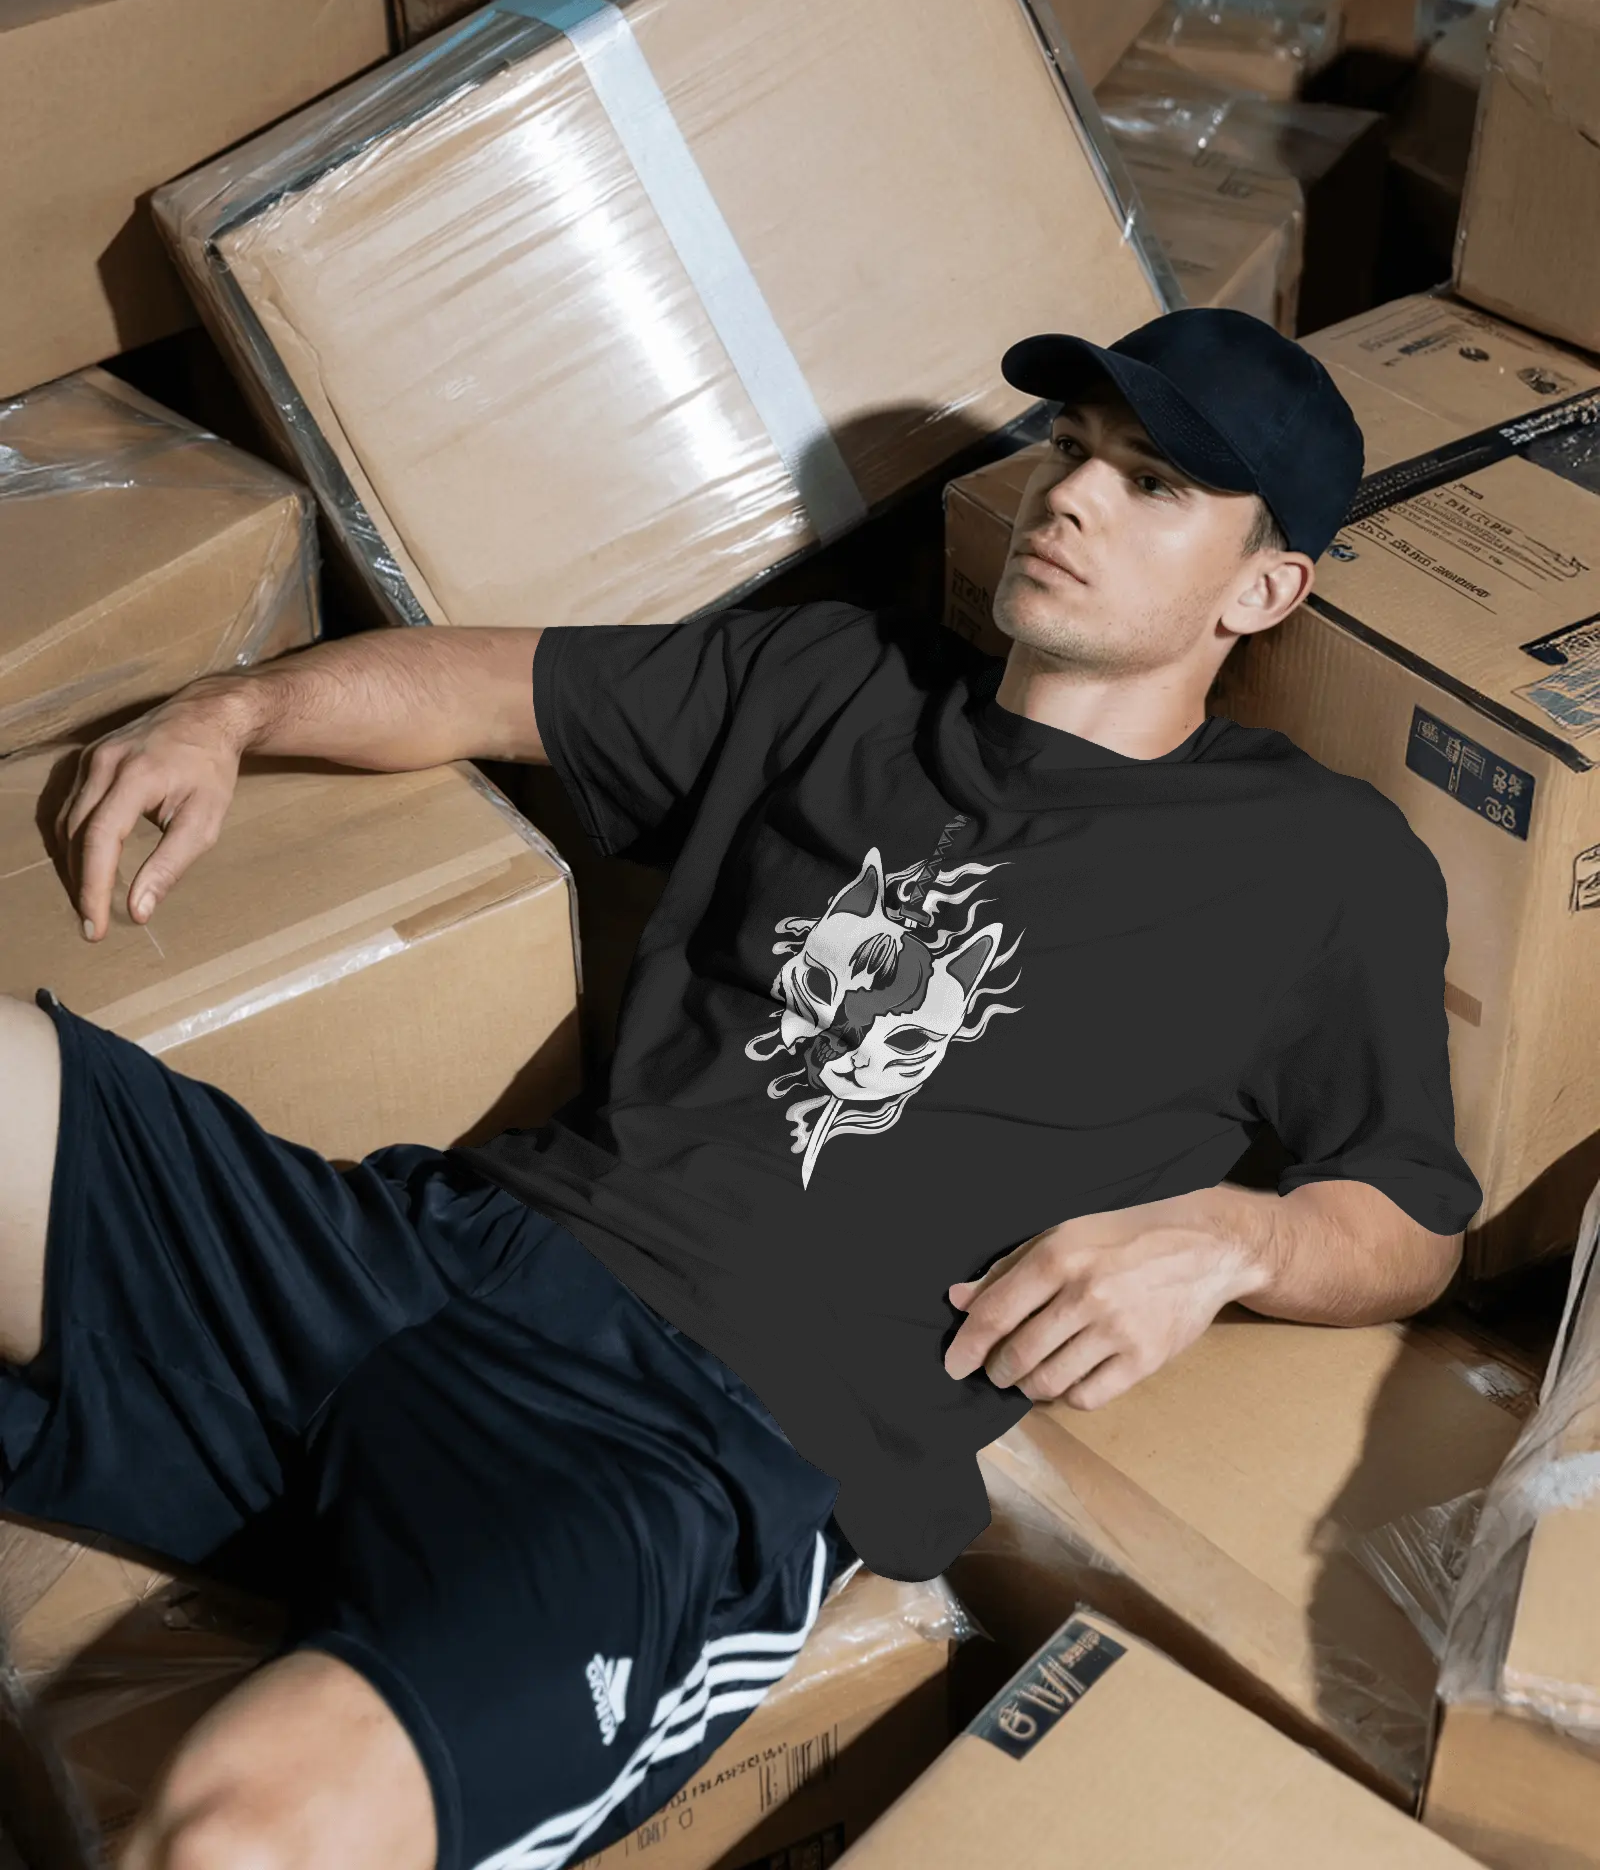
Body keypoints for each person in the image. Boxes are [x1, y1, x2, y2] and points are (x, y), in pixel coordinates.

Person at [0, 311, 1477, 1870]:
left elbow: (1412, 1222)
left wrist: (1230, 1240)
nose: (1072, 499)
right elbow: (485, 689)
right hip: (426, 1250)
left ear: (1264, 589)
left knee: (242, 1832)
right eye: (1071, 452)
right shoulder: (840, 674)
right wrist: (235, 712)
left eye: (1153, 484)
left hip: (683, 1446)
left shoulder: (1319, 867)